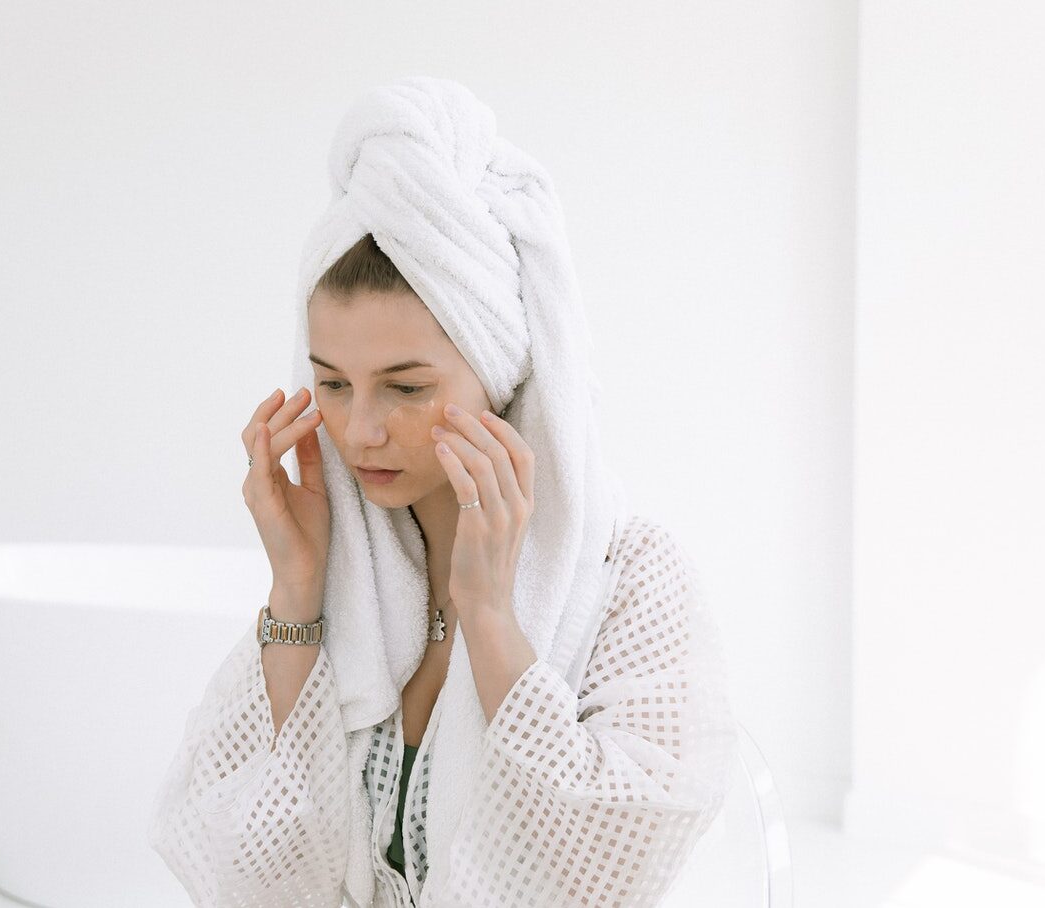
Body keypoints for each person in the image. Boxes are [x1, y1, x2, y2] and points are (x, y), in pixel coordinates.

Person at [147, 78, 739, 908]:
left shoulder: (627, 576)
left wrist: (492, 616)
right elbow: (254, 872)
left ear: (495, 375)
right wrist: (296, 593)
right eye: (333, 384)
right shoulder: (349, 572)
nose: (359, 433)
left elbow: (615, 859)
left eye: (406, 388)